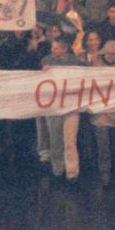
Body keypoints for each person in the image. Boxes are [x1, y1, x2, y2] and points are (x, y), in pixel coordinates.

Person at [39, 36, 85, 183]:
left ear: (64, 49)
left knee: (69, 140)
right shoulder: (46, 60)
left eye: (56, 48)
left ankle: (72, 172)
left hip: (71, 106)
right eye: (52, 47)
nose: (52, 50)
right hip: (54, 106)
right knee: (55, 140)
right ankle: (57, 169)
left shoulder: (74, 61)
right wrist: (44, 71)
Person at [91, 40, 115, 185]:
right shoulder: (95, 65)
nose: (111, 56)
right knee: (103, 145)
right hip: (100, 113)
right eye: (108, 53)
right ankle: (105, 173)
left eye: (114, 54)